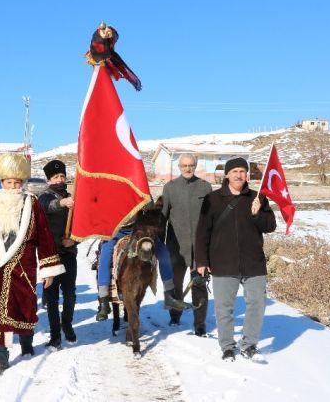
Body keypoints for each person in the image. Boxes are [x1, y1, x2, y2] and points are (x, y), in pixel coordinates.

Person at [0, 153, 64, 376]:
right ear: (2, 183)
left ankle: (26, 344)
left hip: (25, 265)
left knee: (25, 307)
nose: (13, 186)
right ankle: (0, 357)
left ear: (22, 183)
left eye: (17, 182)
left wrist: (48, 266)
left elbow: (44, 235)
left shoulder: (31, 202)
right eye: (9, 182)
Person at [194, 157, 276, 361]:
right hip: (223, 262)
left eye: (242, 171)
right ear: (227, 175)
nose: (239, 175)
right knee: (224, 307)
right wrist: (202, 261)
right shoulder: (212, 199)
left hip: (253, 262)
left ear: (247, 174)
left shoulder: (258, 198)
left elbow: (270, 226)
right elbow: (202, 232)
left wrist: (258, 214)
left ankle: (249, 345)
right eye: (235, 171)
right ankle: (228, 346)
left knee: (257, 304)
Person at [95, 204, 192, 321]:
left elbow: (151, 208)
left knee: (164, 255)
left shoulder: (139, 187)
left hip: (138, 230)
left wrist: (148, 208)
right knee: (105, 256)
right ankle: (104, 300)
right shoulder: (112, 189)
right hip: (115, 230)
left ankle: (169, 296)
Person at [161, 154, 213, 333]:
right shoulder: (170, 188)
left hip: (199, 249)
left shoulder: (205, 187)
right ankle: (175, 317)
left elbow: (212, 219)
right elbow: (163, 218)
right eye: (184, 166)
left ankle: (200, 325)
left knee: (199, 285)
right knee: (176, 285)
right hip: (176, 249)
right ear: (179, 167)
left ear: (196, 165)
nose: (187, 169)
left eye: (191, 165)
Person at [38, 159, 78, 349]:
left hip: (68, 252)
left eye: (62, 176)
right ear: (48, 180)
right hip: (49, 255)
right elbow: (49, 206)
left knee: (69, 294)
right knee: (51, 297)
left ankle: (67, 325)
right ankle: (55, 335)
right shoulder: (43, 197)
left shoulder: (73, 199)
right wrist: (64, 202)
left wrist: (74, 241)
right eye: (55, 177)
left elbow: (81, 227)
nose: (59, 179)